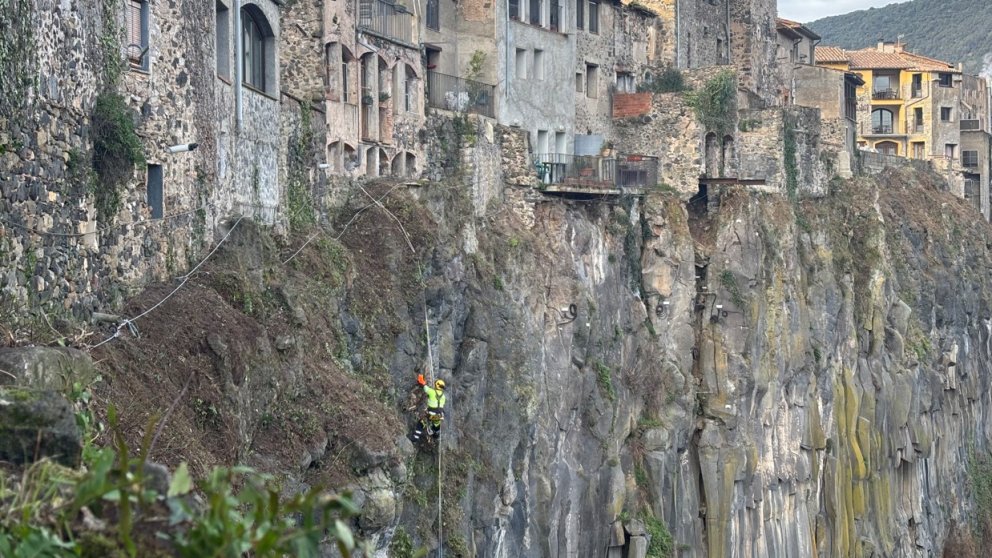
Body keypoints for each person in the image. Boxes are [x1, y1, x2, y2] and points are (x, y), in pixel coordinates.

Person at [411, 374, 446, 443]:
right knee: (436, 425)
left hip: (431, 414)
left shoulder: (432, 392)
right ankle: (435, 436)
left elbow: (424, 386)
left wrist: (420, 378)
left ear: (436, 385)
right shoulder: (443, 396)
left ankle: (415, 438)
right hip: (439, 415)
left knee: (421, 423)